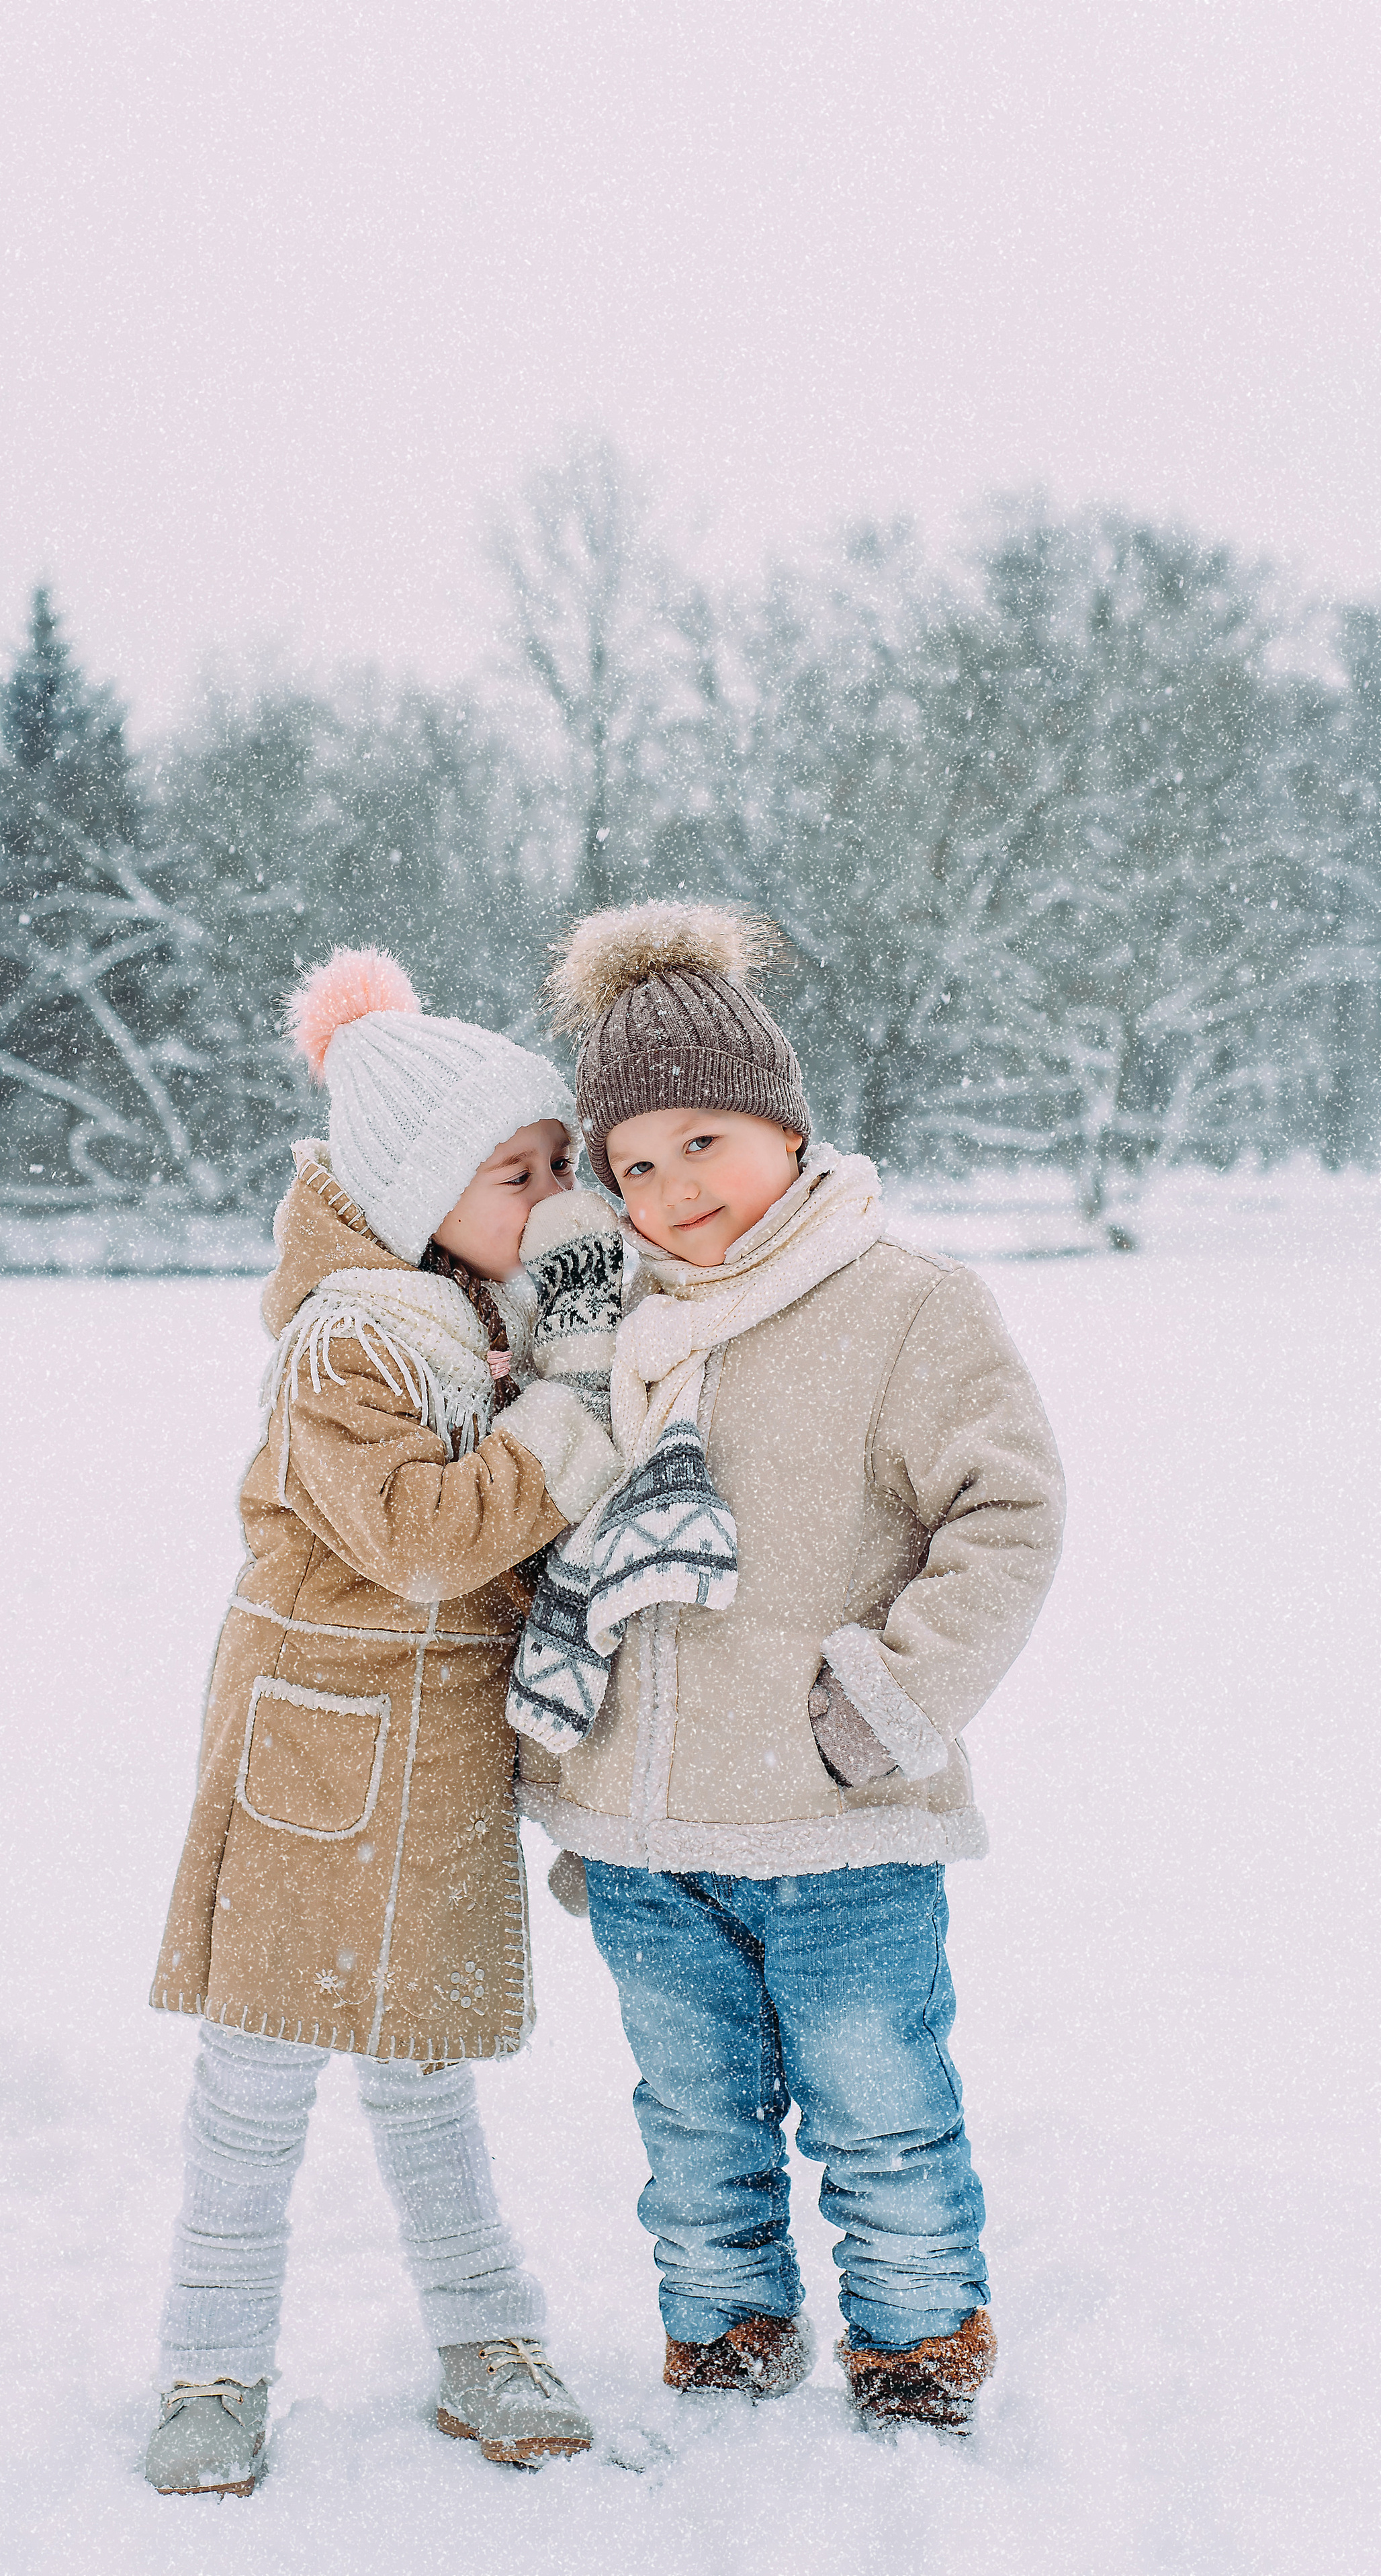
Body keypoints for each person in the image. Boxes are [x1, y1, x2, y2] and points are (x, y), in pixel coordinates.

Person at [515, 901, 1066, 2436]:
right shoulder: (607, 1331)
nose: (674, 1188)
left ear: (780, 1127)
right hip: (644, 1832)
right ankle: (723, 2326)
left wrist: (882, 1699)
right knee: (691, 2115)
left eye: (703, 1141)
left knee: (878, 2109)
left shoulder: (902, 1303)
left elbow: (1006, 1514)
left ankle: (911, 2335)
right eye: (633, 1163)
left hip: (836, 1816)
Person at [143, 948, 625, 2495]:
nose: (552, 1191)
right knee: (256, 2082)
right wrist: (569, 1419)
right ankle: (209, 2364)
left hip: (440, 1760)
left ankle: (486, 2340)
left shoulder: (477, 1314)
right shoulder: (354, 1343)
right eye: (516, 1171)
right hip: (319, 1756)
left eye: (562, 1163)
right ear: (421, 1189)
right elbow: (423, 1539)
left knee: (423, 2067)